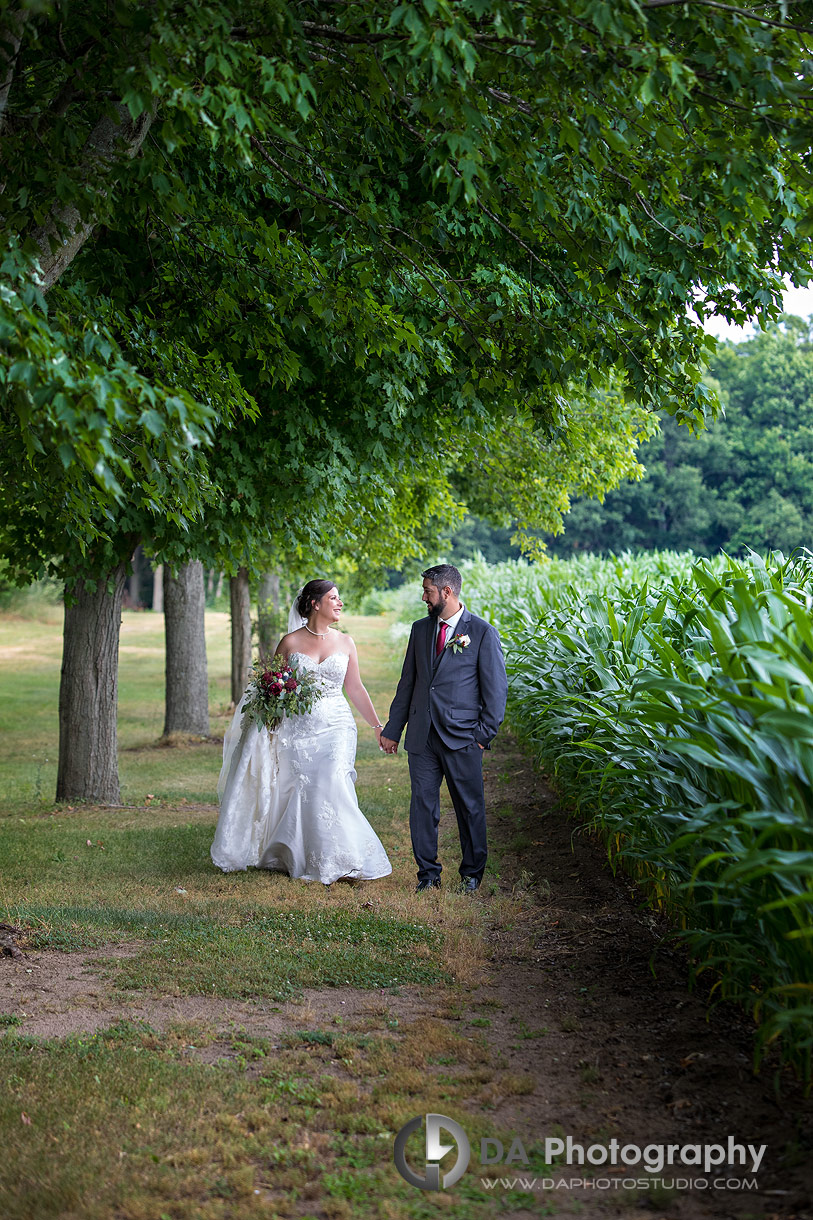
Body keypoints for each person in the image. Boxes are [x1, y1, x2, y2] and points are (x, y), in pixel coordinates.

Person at [211, 579, 392, 885]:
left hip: (337, 726)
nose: (340, 603)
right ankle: (298, 855)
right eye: (334, 598)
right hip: (297, 730)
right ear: (315, 603)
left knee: (332, 781)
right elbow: (269, 687)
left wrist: (377, 726)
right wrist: (267, 722)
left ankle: (343, 858)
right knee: (303, 789)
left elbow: (355, 688)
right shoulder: (290, 643)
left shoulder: (346, 642)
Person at [380, 564, 507, 894]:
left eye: (428, 591)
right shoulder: (420, 630)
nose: (424, 597)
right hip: (423, 736)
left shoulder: (480, 632)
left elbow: (495, 691)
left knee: (469, 807)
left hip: (463, 738)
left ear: (446, 593)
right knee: (422, 806)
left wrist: (482, 736)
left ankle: (472, 873)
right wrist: (394, 729)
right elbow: (408, 682)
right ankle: (428, 874)